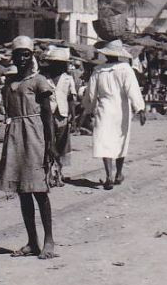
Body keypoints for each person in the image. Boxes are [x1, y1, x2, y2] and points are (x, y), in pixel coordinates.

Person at [0, 37, 60, 258]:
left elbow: (47, 114)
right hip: (15, 136)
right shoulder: (10, 83)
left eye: (26, 54)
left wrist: (50, 144)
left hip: (35, 137)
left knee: (39, 191)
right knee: (23, 192)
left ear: (31, 56)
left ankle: (49, 241)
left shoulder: (39, 81)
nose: (22, 58)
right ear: (12, 57)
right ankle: (32, 242)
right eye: (18, 54)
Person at [86, 38, 147, 190]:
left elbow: (91, 94)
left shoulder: (98, 70)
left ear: (105, 54)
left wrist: (88, 109)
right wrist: (140, 108)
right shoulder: (125, 69)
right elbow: (132, 90)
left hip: (104, 109)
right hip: (121, 109)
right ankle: (118, 174)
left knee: (104, 141)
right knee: (120, 140)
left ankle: (109, 176)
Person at [44, 46, 79, 180]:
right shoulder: (44, 78)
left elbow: (71, 98)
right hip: (48, 114)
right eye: (54, 62)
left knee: (61, 144)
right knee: (48, 142)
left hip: (62, 115)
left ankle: (59, 171)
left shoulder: (67, 78)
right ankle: (48, 172)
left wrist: (74, 119)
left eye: (60, 63)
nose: (57, 65)